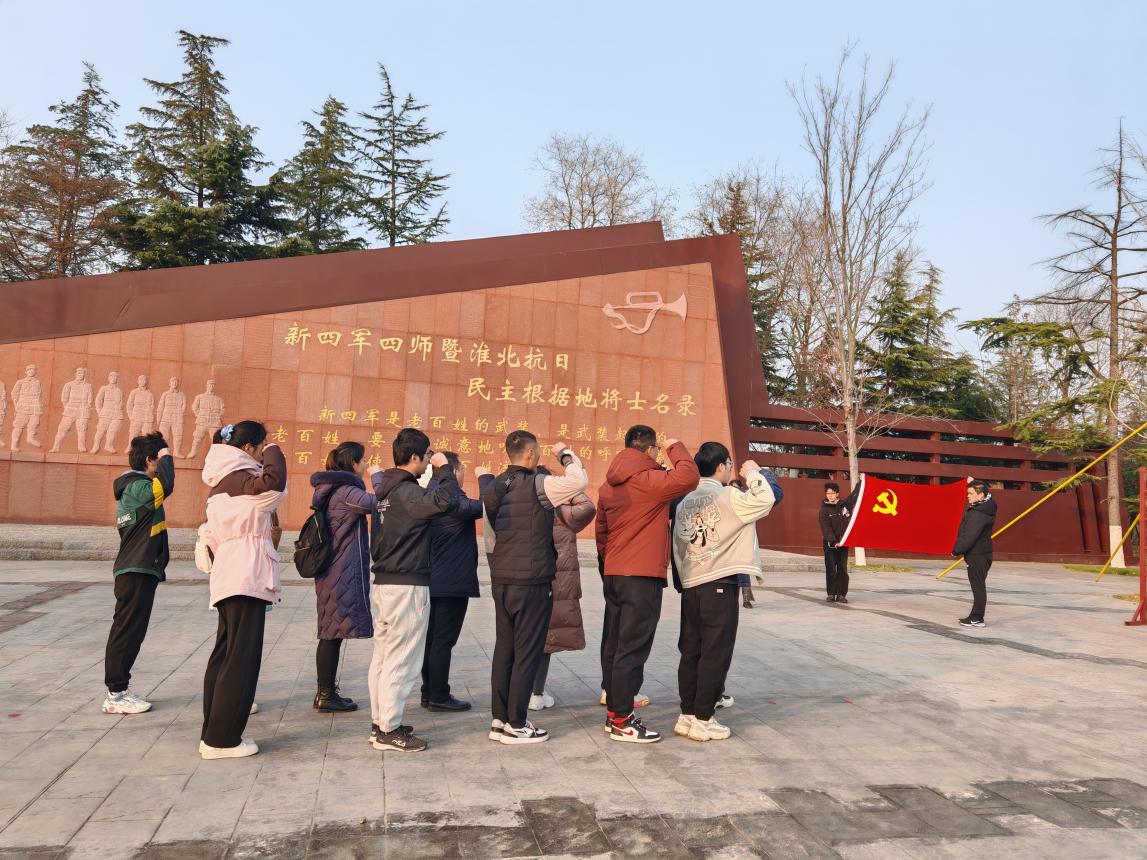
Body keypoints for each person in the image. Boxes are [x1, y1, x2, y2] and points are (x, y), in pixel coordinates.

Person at [596, 425, 699, 743]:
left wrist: (610, 565)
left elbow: (601, 532)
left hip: (615, 572)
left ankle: (615, 715)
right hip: (641, 576)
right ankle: (622, 720)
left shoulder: (608, 486)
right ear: (650, 448)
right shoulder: (649, 481)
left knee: (615, 645)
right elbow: (689, 477)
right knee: (632, 649)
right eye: (656, 448)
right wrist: (675, 445)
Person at [482, 433, 587, 744]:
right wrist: (565, 454)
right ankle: (517, 723)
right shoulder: (539, 484)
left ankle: (499, 720)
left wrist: (499, 570)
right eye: (538, 451)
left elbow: (489, 537)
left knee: (505, 650)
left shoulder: (495, 486)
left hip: (503, 580)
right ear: (530, 453)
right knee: (527, 651)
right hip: (531, 582)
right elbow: (579, 481)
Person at [673, 443, 782, 742]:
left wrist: (684, 579)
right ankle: (704, 719)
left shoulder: (685, 501)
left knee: (692, 650)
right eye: (731, 465)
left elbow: (678, 545)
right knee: (715, 652)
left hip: (692, 582)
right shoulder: (728, 495)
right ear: (721, 466)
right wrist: (755, 473)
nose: (732, 469)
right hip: (719, 580)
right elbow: (766, 499)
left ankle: (687, 714)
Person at [199, 421, 287, 759]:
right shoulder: (243, 479)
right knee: (241, 660)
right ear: (248, 448)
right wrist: (275, 451)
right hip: (246, 575)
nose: (264, 453)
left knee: (225, 655)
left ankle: (213, 732)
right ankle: (222, 740)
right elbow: (276, 485)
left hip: (229, 574)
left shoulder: (221, 481)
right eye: (261, 446)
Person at [368, 429, 458, 752]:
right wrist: (444, 468)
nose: (430, 459)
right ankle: (390, 729)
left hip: (385, 581)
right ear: (415, 456)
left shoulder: (385, 492)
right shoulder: (407, 492)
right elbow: (447, 501)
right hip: (406, 584)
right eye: (428, 454)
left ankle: (381, 723)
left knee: (383, 657)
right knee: (402, 657)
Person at [102, 432, 174, 715]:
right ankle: (116, 694)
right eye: (158, 460)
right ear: (149, 461)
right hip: (135, 569)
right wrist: (168, 456)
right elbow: (165, 486)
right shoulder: (137, 487)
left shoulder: (135, 486)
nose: (160, 465)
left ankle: (119, 690)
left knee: (132, 630)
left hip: (139, 569)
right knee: (127, 631)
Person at [309, 441, 383, 713]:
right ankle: (325, 694)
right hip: (339, 571)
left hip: (333, 569)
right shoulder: (346, 491)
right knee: (331, 633)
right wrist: (378, 476)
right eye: (364, 461)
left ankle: (326, 692)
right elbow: (378, 502)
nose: (366, 465)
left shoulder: (336, 489)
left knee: (332, 631)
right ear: (353, 463)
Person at [529, 468, 596, 712]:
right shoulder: (561, 510)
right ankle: (536, 693)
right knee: (545, 642)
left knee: (525, 639)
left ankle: (522, 691)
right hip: (556, 584)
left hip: (525, 581)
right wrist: (568, 488)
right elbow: (587, 507)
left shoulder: (520, 507)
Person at [421, 452, 483, 712]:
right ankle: (438, 695)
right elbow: (485, 506)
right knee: (443, 641)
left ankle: (428, 692)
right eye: (463, 469)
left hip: (432, 579)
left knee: (432, 639)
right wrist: (485, 479)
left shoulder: (429, 494)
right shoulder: (452, 499)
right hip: (452, 581)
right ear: (453, 471)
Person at [952, 478, 997, 628]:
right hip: (983, 553)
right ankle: (975, 616)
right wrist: (974, 480)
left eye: (971, 493)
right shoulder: (988, 505)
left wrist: (956, 551)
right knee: (979, 586)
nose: (968, 496)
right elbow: (985, 489)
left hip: (977, 555)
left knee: (978, 587)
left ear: (980, 494)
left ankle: (977, 618)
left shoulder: (978, 514)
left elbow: (969, 536)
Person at [819, 480, 862, 603]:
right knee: (831, 569)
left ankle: (841, 594)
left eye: (832, 493)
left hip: (843, 544)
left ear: (837, 493)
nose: (830, 496)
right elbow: (826, 528)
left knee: (842, 569)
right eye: (828, 493)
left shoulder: (844, 505)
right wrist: (833, 542)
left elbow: (854, 496)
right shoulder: (824, 510)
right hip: (830, 545)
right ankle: (831, 594)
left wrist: (861, 483)